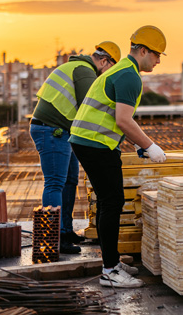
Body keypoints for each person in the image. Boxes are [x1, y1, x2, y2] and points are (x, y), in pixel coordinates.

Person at [70, 26, 167, 288]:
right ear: (143, 51)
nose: (158, 61)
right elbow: (123, 120)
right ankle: (110, 271)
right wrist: (150, 146)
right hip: (95, 144)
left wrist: (138, 144)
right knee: (112, 203)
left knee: (108, 202)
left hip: (90, 141)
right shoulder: (129, 77)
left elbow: (114, 117)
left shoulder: (122, 69)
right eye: (157, 54)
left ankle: (111, 262)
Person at [30, 41, 121, 255]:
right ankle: (54, 238)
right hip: (51, 130)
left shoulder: (80, 68)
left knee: (70, 180)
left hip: (61, 131)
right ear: (105, 61)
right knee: (55, 183)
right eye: (111, 70)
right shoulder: (84, 71)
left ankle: (65, 231)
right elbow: (90, 108)